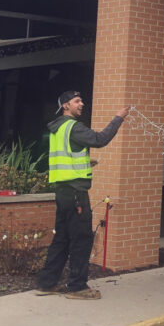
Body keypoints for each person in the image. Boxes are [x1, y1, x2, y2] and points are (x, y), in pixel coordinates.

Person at [37, 90, 130, 299]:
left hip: (62, 191)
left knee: (61, 238)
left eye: (81, 100)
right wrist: (118, 118)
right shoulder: (73, 126)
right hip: (76, 193)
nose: (82, 104)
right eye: (77, 101)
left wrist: (87, 163)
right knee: (82, 238)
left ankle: (47, 283)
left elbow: (67, 157)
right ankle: (77, 287)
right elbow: (100, 139)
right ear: (66, 106)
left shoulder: (57, 128)